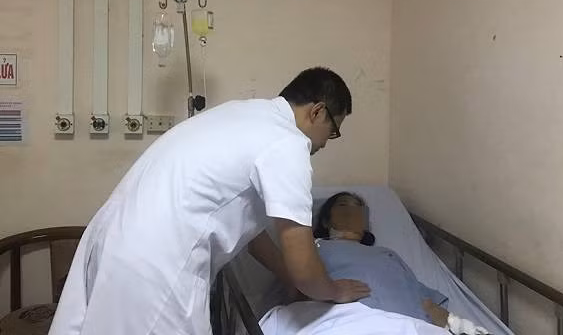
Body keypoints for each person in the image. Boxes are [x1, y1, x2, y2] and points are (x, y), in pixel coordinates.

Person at [49, 67, 370, 335]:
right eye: (333, 131)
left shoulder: (242, 114)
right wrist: (334, 290)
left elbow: (249, 229)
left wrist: (285, 275)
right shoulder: (288, 143)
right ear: (317, 112)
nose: (326, 143)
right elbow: (305, 270)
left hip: (114, 241)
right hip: (157, 267)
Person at [313, 192, 491, 335]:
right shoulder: (316, 247)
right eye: (343, 206)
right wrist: (331, 291)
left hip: (409, 325)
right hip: (353, 321)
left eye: (359, 209)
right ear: (326, 220)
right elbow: (301, 286)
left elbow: (423, 301)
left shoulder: (386, 254)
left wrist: (456, 324)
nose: (352, 213)